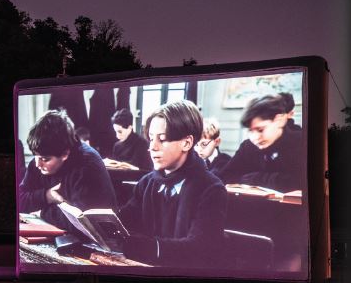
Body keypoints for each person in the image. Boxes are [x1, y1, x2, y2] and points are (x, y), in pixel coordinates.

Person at [118, 100, 227, 268]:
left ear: (187, 143)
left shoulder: (211, 189)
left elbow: (199, 249)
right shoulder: (146, 183)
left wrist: (140, 246)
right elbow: (124, 222)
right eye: (151, 138)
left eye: (162, 139)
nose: (152, 147)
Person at [18, 109, 117, 234]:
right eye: (35, 156)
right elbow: (19, 200)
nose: (37, 164)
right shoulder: (40, 156)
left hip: (99, 240)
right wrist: (47, 196)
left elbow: (82, 222)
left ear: (65, 154)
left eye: (45, 159)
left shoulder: (87, 166)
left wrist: (41, 212)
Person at [217, 93, 304, 193]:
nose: (255, 138)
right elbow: (225, 176)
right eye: (250, 131)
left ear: (279, 120)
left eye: (260, 130)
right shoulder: (248, 146)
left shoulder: (301, 143)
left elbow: (301, 181)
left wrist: (256, 179)